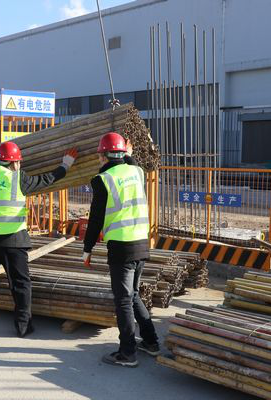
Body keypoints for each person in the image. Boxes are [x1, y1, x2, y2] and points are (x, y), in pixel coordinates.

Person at [0, 142, 78, 338]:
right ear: (15, 163)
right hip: (12, 240)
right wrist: (65, 165)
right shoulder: (17, 177)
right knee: (21, 285)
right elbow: (46, 180)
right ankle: (23, 327)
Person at [82, 132, 159, 368]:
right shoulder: (136, 171)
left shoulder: (102, 179)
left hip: (121, 247)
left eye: (100, 155)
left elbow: (95, 219)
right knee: (132, 295)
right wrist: (127, 153)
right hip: (141, 242)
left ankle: (127, 353)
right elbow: (131, 162)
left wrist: (87, 248)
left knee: (124, 300)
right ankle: (151, 342)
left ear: (104, 156)